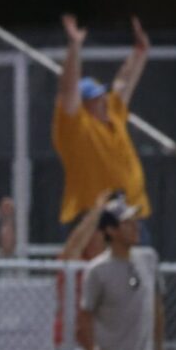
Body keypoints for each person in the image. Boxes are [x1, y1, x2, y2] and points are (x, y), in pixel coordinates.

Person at [77, 196, 164, 350]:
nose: (135, 227)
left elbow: (157, 307)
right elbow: (85, 319)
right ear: (110, 230)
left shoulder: (148, 258)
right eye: (127, 223)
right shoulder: (97, 270)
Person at [54, 14, 151, 230]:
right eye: (96, 100)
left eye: (102, 96)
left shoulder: (113, 114)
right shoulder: (76, 127)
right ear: (85, 105)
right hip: (95, 220)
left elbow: (124, 82)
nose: (104, 101)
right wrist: (75, 47)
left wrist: (140, 52)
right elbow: (68, 90)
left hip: (132, 215)